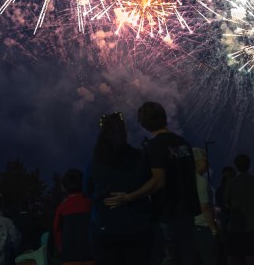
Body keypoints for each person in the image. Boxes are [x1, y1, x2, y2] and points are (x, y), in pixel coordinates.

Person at [104, 101, 200, 264]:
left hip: (167, 213)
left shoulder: (155, 147)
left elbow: (158, 182)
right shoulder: (184, 144)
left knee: (168, 257)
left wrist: (129, 197)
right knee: (187, 256)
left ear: (144, 123)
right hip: (188, 211)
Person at [86, 111, 152, 265]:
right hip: (138, 227)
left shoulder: (95, 162)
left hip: (104, 228)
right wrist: (130, 197)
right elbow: (151, 184)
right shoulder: (139, 158)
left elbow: (88, 190)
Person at [224, 153, 254, 265]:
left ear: (236, 165)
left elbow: (226, 202)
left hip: (235, 226)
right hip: (253, 226)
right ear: (249, 165)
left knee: (235, 256)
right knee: (250, 256)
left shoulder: (231, 182)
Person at [53, 169, 93, 264]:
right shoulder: (90, 204)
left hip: (69, 258)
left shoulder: (62, 208)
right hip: (91, 256)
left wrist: (62, 248)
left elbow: (56, 230)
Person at [192, 148, 218, 265]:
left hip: (191, 227)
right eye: (205, 161)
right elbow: (205, 207)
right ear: (197, 162)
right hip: (203, 227)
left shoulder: (185, 179)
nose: (207, 164)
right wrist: (213, 229)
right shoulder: (201, 181)